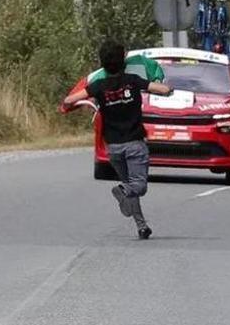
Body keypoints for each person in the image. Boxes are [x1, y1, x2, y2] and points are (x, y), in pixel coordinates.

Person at [61, 40, 173, 240]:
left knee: (129, 185)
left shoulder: (98, 85)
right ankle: (122, 190)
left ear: (102, 63)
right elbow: (162, 89)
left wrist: (90, 102)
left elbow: (69, 100)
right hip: (135, 145)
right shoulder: (133, 80)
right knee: (138, 186)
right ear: (123, 61)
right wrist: (168, 89)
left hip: (113, 148)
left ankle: (141, 226)